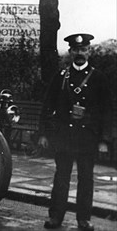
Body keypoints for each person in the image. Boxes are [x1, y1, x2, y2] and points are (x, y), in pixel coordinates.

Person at [38, 33, 113, 231]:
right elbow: (48, 105)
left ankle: (84, 219)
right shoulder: (61, 76)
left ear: (89, 52)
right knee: (61, 177)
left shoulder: (99, 78)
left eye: (84, 50)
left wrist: (104, 139)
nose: (80, 53)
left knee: (86, 179)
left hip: (88, 137)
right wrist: (44, 133)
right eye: (76, 50)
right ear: (71, 52)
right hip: (64, 137)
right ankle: (55, 218)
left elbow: (107, 111)